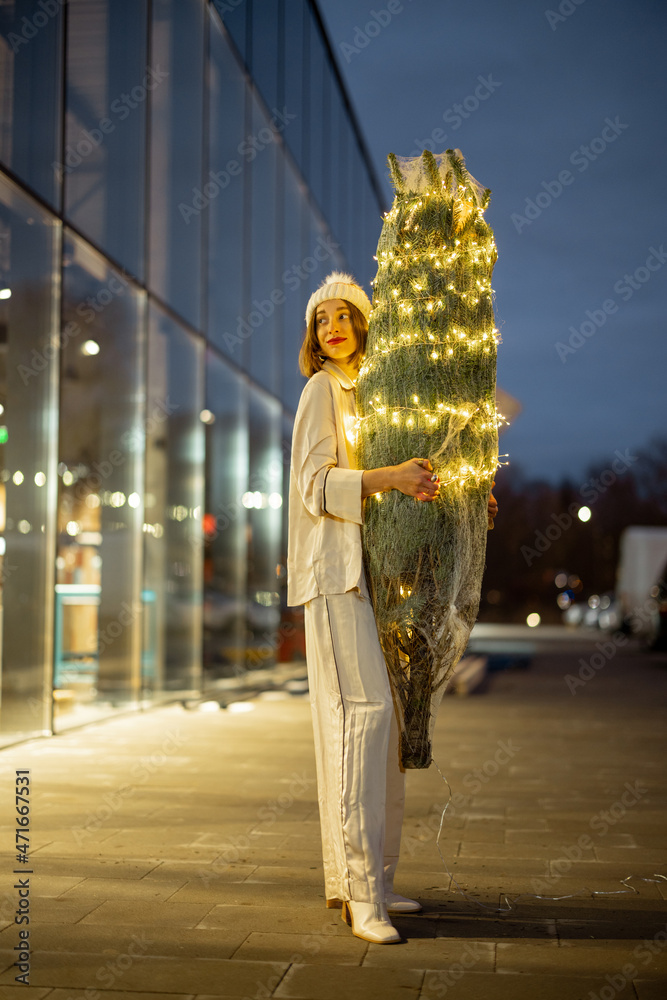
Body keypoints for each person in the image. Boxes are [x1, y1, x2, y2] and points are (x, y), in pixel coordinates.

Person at [287, 272, 498, 944]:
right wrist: (390, 477)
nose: (333, 326)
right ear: (313, 337)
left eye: (345, 314)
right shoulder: (320, 390)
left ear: (366, 324)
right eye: (322, 319)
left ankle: (366, 877)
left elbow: (410, 482)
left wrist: (460, 497)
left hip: (376, 578)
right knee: (365, 716)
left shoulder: (375, 396)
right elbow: (312, 486)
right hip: (334, 576)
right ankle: (360, 897)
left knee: (380, 725)